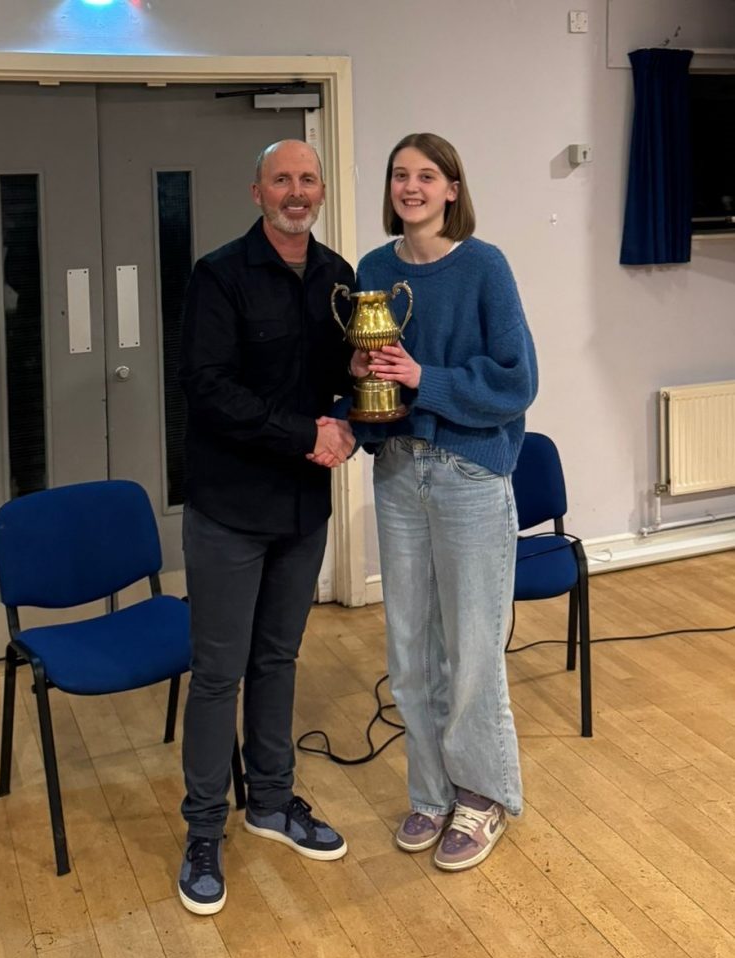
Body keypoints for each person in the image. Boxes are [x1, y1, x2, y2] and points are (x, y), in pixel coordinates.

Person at [177, 139, 356, 915]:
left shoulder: (340, 278)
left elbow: (355, 373)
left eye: (307, 179)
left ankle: (272, 803)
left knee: (279, 659)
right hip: (228, 508)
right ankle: (203, 831)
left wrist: (352, 422)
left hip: (300, 507)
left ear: (319, 191)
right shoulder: (218, 275)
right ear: (257, 191)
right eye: (281, 179)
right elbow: (208, 390)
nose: (296, 191)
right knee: (219, 674)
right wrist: (306, 435)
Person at [351, 132, 537, 871]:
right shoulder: (372, 268)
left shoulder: (485, 267)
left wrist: (424, 377)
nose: (411, 187)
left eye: (427, 175)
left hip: (467, 474)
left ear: (453, 189)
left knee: (472, 650)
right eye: (401, 175)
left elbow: (516, 382)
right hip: (398, 470)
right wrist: (362, 373)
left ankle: (484, 797)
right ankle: (431, 791)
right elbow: (372, 377)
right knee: (408, 650)